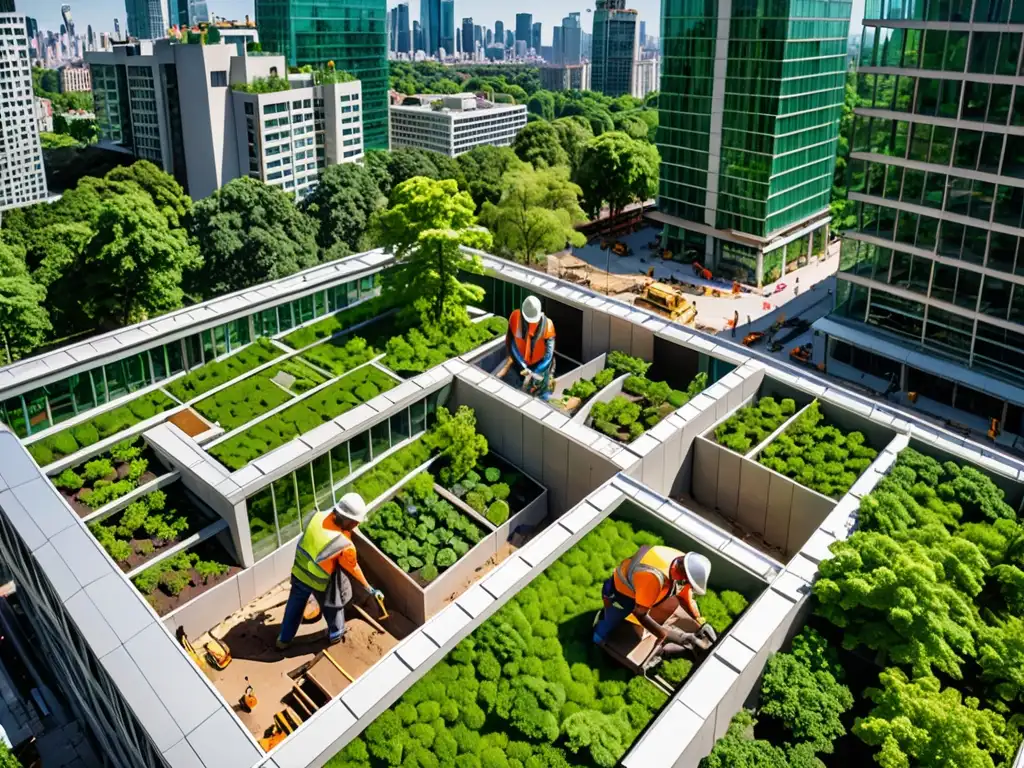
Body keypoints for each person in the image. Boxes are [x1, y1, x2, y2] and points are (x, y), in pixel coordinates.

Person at [276, 493, 384, 650]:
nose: (356, 526)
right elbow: (352, 568)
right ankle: (336, 634)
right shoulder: (344, 544)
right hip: (319, 579)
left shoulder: (317, 516)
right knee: (332, 605)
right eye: (355, 523)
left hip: (300, 569)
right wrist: (369, 588)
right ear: (348, 520)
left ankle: (283, 640)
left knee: (295, 605)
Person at [593, 545, 715, 662]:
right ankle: (597, 640)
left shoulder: (682, 561)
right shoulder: (654, 578)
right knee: (611, 620)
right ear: (684, 574)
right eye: (688, 582)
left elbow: (684, 593)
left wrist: (698, 620)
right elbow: (640, 613)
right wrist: (663, 634)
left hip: (640, 585)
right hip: (620, 595)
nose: (688, 585)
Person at [502, 296, 556, 400]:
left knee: (541, 395)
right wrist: (522, 365)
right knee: (512, 392)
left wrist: (536, 371)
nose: (530, 323)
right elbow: (512, 344)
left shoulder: (548, 325)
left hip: (540, 366)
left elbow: (549, 355)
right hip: (519, 362)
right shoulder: (515, 317)